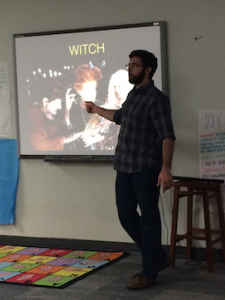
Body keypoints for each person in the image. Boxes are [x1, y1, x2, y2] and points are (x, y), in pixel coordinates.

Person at [84, 50, 176, 290]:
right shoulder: (132, 95)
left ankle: (149, 271)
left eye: (135, 65)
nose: (130, 69)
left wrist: (166, 169)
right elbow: (119, 117)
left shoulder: (157, 99)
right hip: (124, 165)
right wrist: (96, 109)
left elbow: (167, 135)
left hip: (146, 167)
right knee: (126, 215)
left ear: (147, 70)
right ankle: (156, 255)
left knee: (148, 218)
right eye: (129, 64)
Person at [29, 81, 81, 151]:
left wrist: (67, 108)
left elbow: (62, 127)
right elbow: (40, 144)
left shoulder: (50, 113)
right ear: (45, 102)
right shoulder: (35, 115)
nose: (59, 107)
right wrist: (67, 139)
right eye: (56, 103)